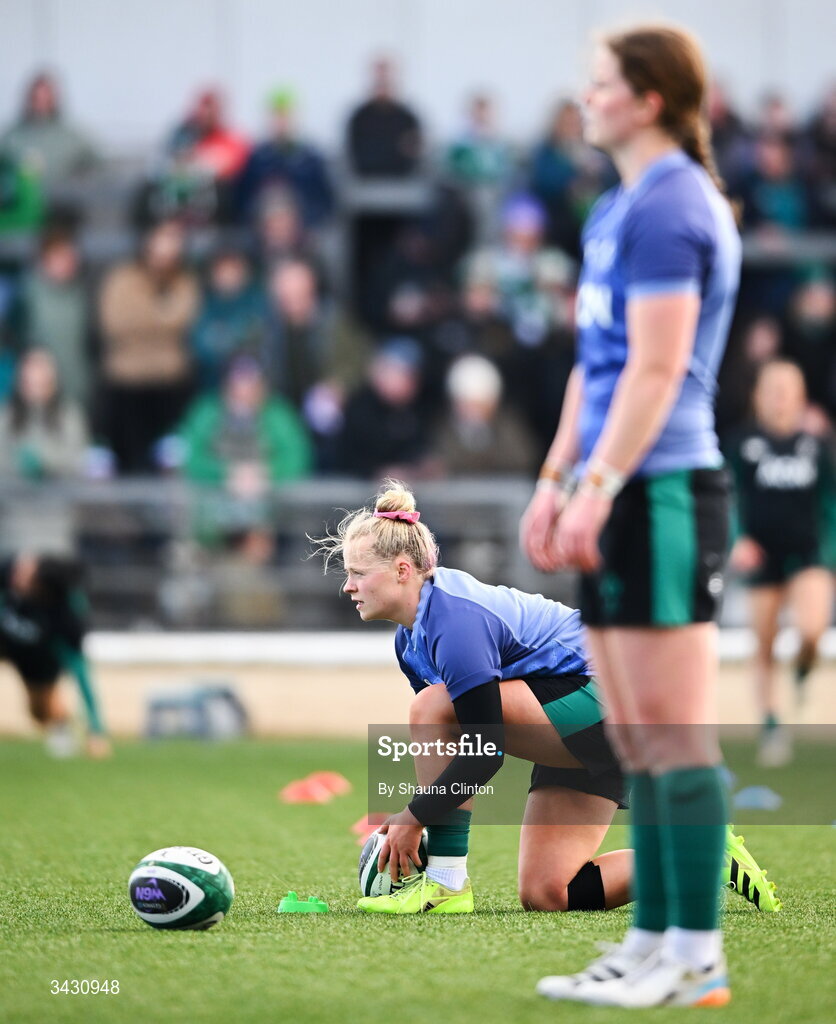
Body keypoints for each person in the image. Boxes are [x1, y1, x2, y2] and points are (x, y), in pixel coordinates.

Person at [520, 25, 743, 1007]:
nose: (585, 95)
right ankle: (652, 942)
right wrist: (554, 475)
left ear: (648, 100)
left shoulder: (671, 207)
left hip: (659, 492)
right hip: (616, 487)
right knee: (635, 733)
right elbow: (597, 365)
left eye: (602, 83)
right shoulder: (617, 208)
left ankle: (694, 956)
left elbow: (657, 370)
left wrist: (600, 484)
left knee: (671, 732)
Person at [315, 482, 777, 920]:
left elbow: (483, 751)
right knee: (549, 892)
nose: (347, 586)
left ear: (401, 571)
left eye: (357, 573)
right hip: (565, 708)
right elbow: (454, 751)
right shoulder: (409, 639)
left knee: (432, 706)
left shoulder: (454, 622)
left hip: (612, 698)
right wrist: (418, 814)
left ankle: (446, 885)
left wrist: (413, 817)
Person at [727, 360, 836, 766]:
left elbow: (830, 502)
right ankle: (772, 724)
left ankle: (804, 671)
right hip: (761, 555)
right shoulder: (742, 443)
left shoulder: (817, 445)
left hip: (808, 553)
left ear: (800, 396)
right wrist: (737, 540)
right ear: (758, 396)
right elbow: (728, 496)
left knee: (811, 631)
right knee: (765, 643)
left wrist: (831, 554)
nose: (779, 398)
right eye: (771, 389)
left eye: (787, 389)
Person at [98, 219, 199, 473]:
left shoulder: (185, 281)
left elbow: (185, 315)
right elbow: (115, 322)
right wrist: (162, 318)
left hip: (170, 384)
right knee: (132, 463)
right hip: (127, 383)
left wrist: (143, 319)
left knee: (170, 463)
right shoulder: (122, 278)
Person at [0, 553, 110, 758]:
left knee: (39, 713)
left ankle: (61, 722)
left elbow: (81, 674)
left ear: (42, 589)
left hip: (35, 655)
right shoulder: (6, 572)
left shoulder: (63, 619)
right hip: (5, 641)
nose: (19, 576)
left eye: (28, 577)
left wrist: (96, 730)